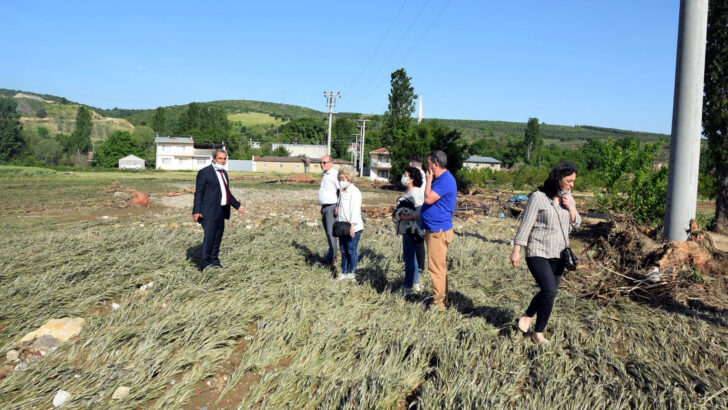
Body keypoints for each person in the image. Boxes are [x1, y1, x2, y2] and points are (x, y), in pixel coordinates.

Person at [510, 162, 581, 344]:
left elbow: (577, 223)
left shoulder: (568, 197)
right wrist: (516, 250)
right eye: (569, 181)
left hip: (560, 254)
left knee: (550, 293)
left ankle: (538, 333)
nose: (572, 184)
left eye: (573, 181)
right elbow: (526, 225)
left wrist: (571, 208)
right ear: (558, 179)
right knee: (549, 290)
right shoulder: (538, 197)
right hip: (538, 250)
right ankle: (528, 315)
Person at [192, 150, 243, 270]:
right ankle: (205, 264)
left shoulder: (224, 173)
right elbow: (198, 193)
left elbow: (227, 192)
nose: (223, 161)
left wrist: (237, 205)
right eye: (220, 158)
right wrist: (196, 211)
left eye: (225, 159)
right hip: (208, 211)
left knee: (217, 238)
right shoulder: (204, 173)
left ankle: (215, 261)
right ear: (214, 159)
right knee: (209, 237)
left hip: (221, 211)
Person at [420, 150, 458, 310]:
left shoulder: (445, 180)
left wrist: (427, 180)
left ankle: (438, 303)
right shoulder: (441, 179)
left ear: (435, 164)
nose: (427, 168)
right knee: (439, 267)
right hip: (435, 228)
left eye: (429, 165)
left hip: (438, 230)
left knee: (436, 268)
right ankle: (443, 298)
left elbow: (428, 198)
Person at [394, 167, 424, 294]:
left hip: (411, 229)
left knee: (409, 258)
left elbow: (421, 211)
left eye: (405, 175)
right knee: (412, 257)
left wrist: (407, 217)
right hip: (406, 228)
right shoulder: (408, 192)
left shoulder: (416, 193)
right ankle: (415, 282)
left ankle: (407, 286)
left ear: (412, 178)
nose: (403, 177)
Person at [335, 166, 363, 280]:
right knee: (343, 250)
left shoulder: (355, 192)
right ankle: (344, 271)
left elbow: (355, 210)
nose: (341, 181)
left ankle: (352, 273)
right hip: (342, 225)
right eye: (340, 179)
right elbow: (340, 207)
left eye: (343, 179)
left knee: (351, 250)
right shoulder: (342, 192)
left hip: (353, 226)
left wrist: (352, 226)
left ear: (349, 179)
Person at [318, 154, 339, 265]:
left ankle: (333, 258)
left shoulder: (334, 175)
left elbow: (340, 190)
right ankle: (331, 255)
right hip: (325, 207)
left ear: (331, 163)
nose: (322, 165)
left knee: (331, 233)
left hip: (331, 206)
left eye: (324, 163)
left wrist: (338, 206)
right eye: (320, 163)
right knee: (328, 232)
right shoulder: (325, 175)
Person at [409, 154, 427, 279]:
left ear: (411, 164)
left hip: (418, 211)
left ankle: (419, 269)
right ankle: (417, 267)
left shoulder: (421, 177)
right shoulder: (423, 175)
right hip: (416, 210)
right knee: (416, 242)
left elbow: (419, 197)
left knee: (418, 242)